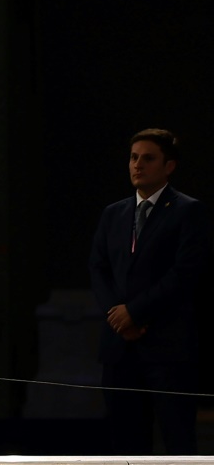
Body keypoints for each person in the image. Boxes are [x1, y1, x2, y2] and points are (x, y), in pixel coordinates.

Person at [89, 128, 211, 455]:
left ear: (168, 166)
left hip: (167, 348)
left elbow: (184, 275)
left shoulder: (188, 211)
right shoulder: (113, 213)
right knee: (126, 445)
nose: (137, 165)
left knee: (177, 441)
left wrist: (135, 312)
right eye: (133, 157)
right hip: (120, 347)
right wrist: (118, 316)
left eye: (147, 158)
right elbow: (98, 268)